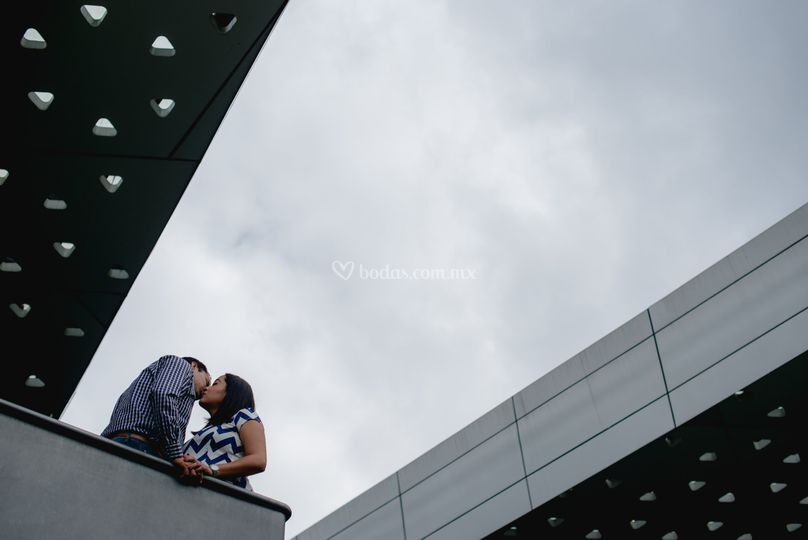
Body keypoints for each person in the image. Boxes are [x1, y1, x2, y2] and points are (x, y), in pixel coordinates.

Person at [101, 355, 211, 477]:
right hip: (140, 447)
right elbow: (163, 395)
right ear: (194, 366)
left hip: (128, 443)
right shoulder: (181, 364)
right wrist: (175, 453)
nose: (206, 389)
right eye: (207, 381)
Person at [181, 373, 267, 489]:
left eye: (215, 384)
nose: (207, 388)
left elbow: (258, 460)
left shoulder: (244, 415)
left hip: (225, 497)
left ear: (232, 392)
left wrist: (212, 469)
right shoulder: (206, 431)